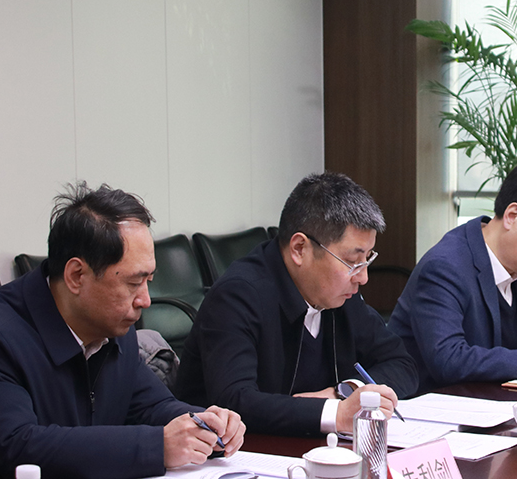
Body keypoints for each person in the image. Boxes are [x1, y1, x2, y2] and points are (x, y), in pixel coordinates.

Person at [0, 183, 245, 479]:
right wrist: (158, 447)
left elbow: (151, 406)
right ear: (76, 275)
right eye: (133, 283)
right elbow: (17, 445)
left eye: (148, 281)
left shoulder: (110, 325)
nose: (145, 300)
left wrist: (204, 425)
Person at [176, 172, 417, 437]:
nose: (363, 277)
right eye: (352, 261)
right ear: (300, 248)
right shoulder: (237, 296)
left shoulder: (339, 294)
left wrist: (344, 391)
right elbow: (235, 401)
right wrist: (337, 413)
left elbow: (402, 363)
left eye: (367, 259)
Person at [388, 158, 517, 394]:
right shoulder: (444, 267)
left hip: (496, 405)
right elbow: (449, 360)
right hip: (431, 408)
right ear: (513, 216)